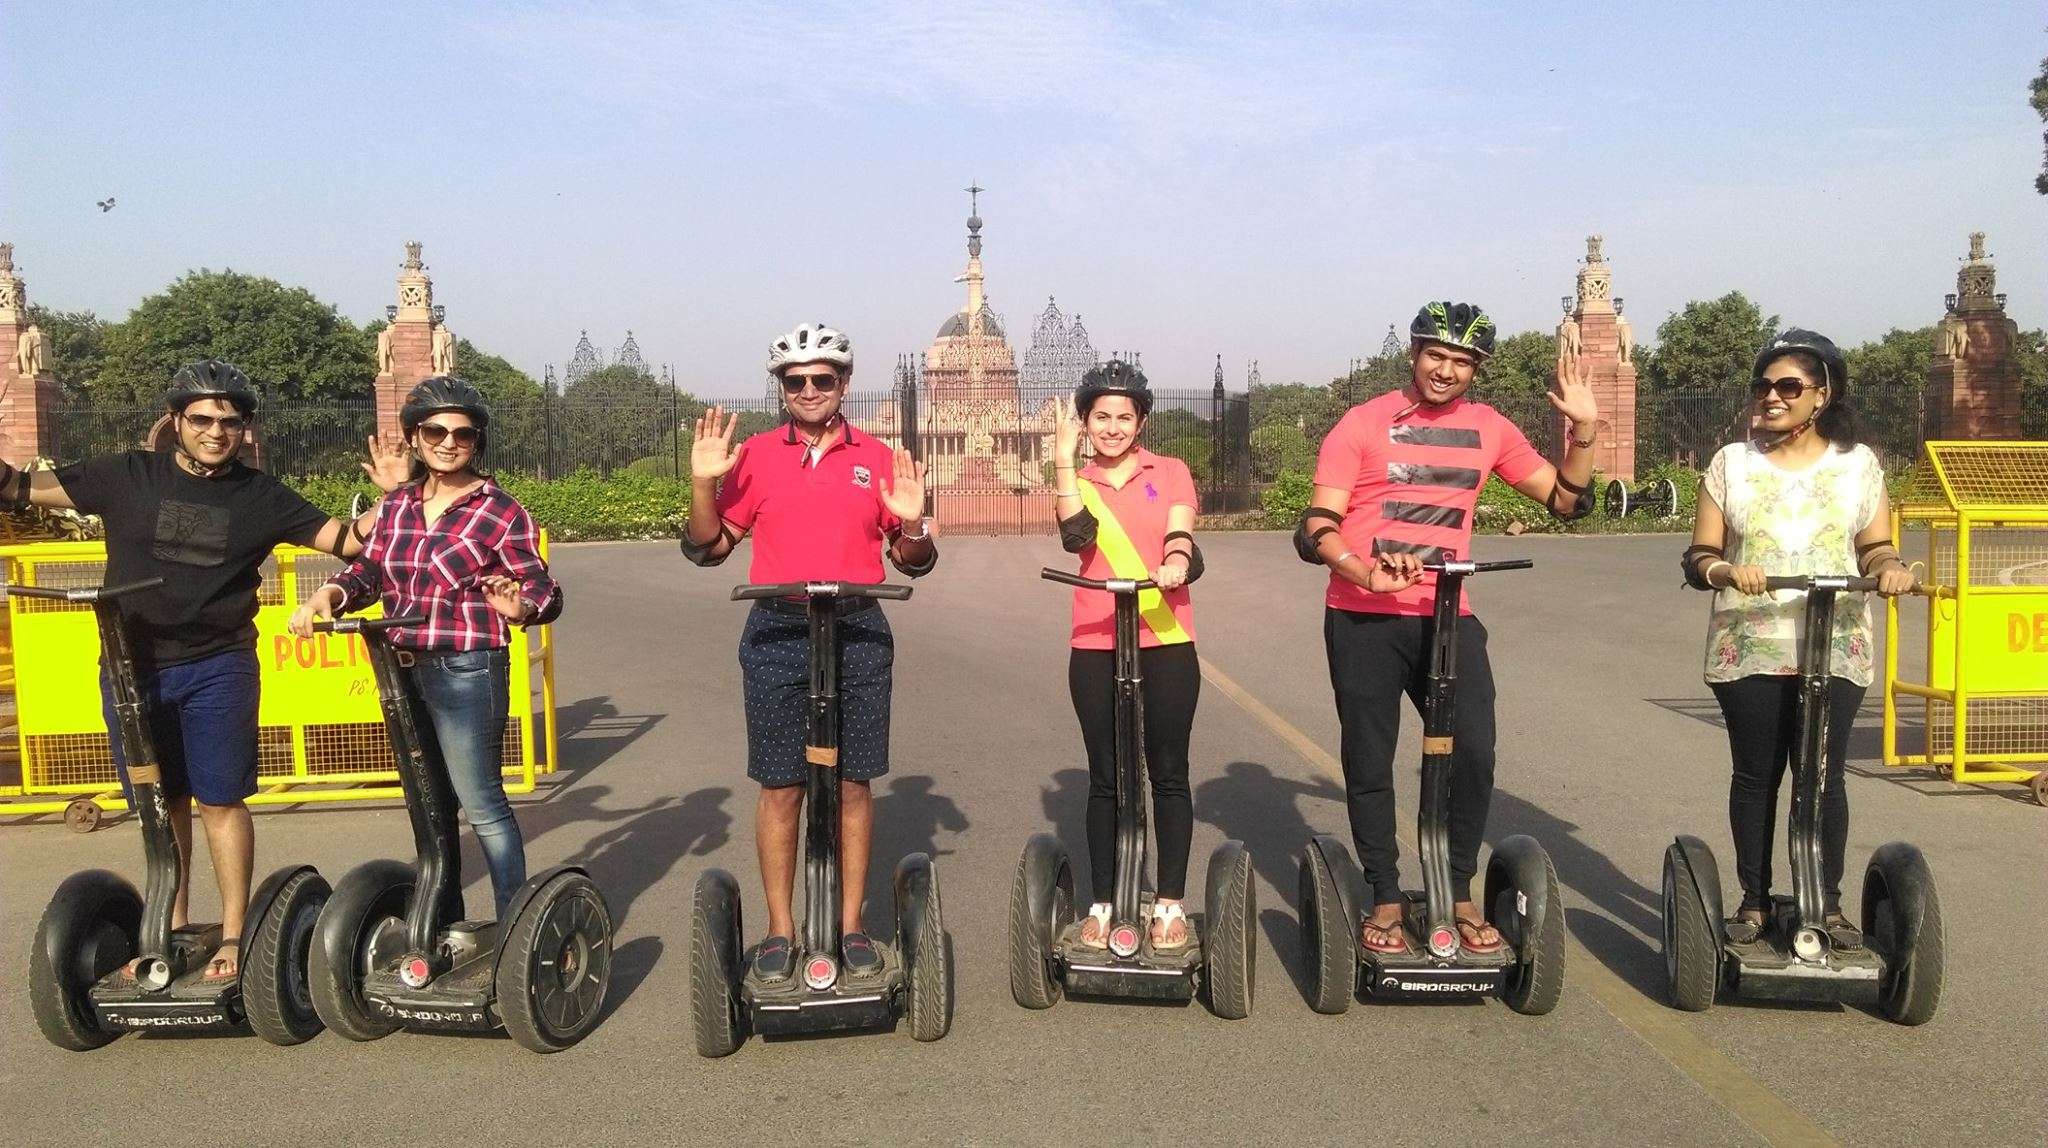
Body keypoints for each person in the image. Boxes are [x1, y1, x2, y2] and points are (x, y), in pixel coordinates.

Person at [0, 360, 404, 980]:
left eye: (230, 422)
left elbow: (347, 541)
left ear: (245, 428)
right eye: (202, 419)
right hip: (133, 671)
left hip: (219, 667)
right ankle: (171, 927)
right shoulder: (126, 475)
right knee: (161, 804)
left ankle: (236, 936)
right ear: (175, 420)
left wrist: (396, 494)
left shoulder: (260, 496)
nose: (216, 431)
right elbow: (20, 488)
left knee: (220, 800)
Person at [1296, 302, 1599, 957]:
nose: (1446, 370)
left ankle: (1456, 888)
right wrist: (1362, 569)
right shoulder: (1362, 423)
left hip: (1447, 615)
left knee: (1475, 753)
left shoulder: (1489, 428)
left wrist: (1584, 432)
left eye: (1462, 361)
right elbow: (1316, 525)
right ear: (1414, 354)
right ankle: (1384, 893)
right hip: (1364, 617)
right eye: (1436, 355)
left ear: (1475, 370)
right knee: (1369, 759)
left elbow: (1566, 502)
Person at [680, 322, 935, 980]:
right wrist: (703, 484)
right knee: (781, 787)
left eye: (823, 378)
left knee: (853, 784)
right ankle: (780, 928)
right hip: (779, 629)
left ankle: (850, 925)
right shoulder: (757, 455)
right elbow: (709, 547)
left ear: (844, 383)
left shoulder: (877, 457)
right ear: (782, 388)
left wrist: (911, 522)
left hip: (856, 627)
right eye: (796, 381)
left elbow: (913, 559)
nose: (810, 390)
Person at [289, 376, 561, 920]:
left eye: (463, 433)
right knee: (428, 806)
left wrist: (521, 607)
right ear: (415, 437)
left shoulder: (500, 511)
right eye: (435, 431)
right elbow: (369, 571)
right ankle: (445, 920)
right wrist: (330, 593)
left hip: (467, 667)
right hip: (401, 668)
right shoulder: (396, 507)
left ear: (477, 441)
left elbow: (542, 588)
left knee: (481, 803)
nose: (448, 442)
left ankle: (513, 926)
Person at [1681, 329, 1914, 950]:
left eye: (1789, 386)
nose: (1772, 397)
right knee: (1757, 775)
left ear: (1822, 395)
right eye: (1764, 386)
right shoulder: (1732, 464)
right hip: (1750, 640)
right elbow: (1699, 555)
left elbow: (1875, 545)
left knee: (1823, 775)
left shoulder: (1857, 466)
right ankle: (1754, 902)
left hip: (1834, 640)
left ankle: (1826, 905)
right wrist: (1725, 570)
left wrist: (1890, 567)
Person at [1051, 360, 1204, 950]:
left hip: (1165, 637)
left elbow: (1180, 531)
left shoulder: (1170, 471)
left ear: (1141, 422)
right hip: (1096, 639)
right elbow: (1076, 537)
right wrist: (1063, 461)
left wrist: (1176, 561)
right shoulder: (1078, 480)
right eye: (1100, 417)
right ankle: (1104, 899)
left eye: (1123, 417)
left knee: (1167, 771)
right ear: (1085, 422)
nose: (1112, 428)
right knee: (1106, 776)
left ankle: (1169, 901)